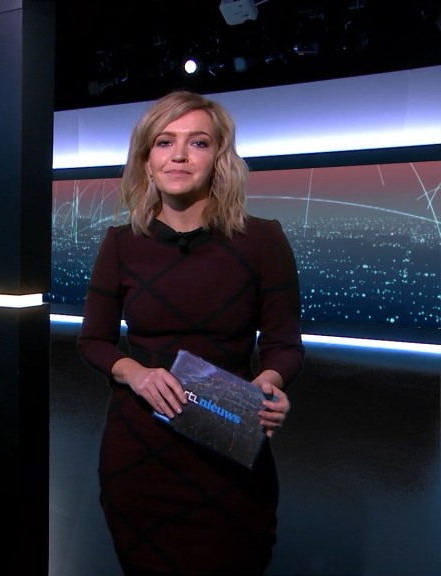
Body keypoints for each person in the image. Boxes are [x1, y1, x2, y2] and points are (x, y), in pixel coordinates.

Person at [78, 91, 304, 575]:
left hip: (229, 450)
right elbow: (93, 341)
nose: (179, 155)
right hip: (139, 459)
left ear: (219, 157)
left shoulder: (263, 240)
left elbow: (284, 345)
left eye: (197, 142)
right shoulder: (121, 244)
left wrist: (268, 385)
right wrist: (134, 372)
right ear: (147, 160)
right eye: (164, 142)